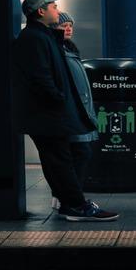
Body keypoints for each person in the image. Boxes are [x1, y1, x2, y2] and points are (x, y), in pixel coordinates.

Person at [12, 0, 118, 222]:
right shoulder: (34, 38)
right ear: (41, 11)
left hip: (49, 112)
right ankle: (76, 206)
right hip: (47, 113)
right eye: (54, 7)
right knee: (61, 159)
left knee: (62, 158)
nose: (57, 11)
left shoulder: (43, 36)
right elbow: (40, 76)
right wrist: (58, 99)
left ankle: (70, 204)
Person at [48, 11, 99, 211]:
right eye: (63, 26)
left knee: (76, 153)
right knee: (79, 152)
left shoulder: (69, 48)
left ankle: (66, 196)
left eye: (70, 25)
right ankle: (69, 198)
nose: (68, 29)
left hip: (77, 109)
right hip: (68, 111)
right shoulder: (57, 50)